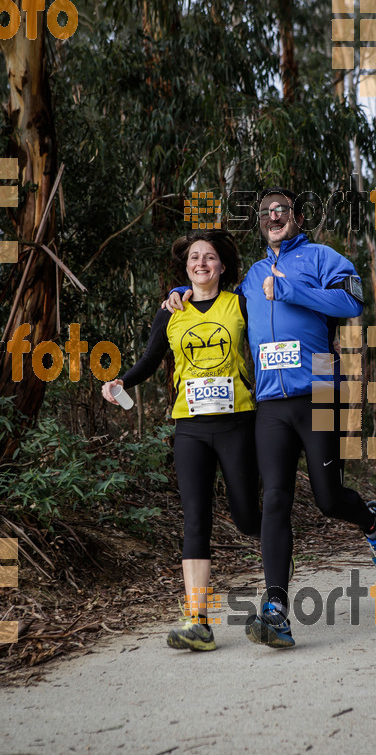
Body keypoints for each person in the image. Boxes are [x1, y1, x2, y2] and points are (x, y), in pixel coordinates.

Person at [166, 188, 376, 649]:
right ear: (260, 222)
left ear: (297, 216)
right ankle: (276, 610)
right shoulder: (250, 276)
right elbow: (219, 305)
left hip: (322, 388)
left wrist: (293, 288)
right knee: (275, 499)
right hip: (270, 402)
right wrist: (183, 294)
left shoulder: (320, 257)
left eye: (282, 210)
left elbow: (352, 302)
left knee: (329, 499)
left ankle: (370, 521)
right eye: (267, 212)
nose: (274, 217)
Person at [102, 230, 262, 652]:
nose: (202, 263)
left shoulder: (239, 303)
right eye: (195, 258)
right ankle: (198, 620)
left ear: (222, 267)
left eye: (210, 257)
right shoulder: (170, 312)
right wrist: (124, 380)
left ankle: (278, 549)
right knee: (196, 521)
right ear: (186, 266)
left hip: (237, 422)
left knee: (247, 518)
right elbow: (152, 358)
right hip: (189, 425)